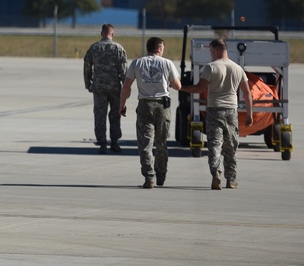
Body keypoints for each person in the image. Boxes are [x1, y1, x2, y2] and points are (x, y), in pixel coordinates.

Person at [179, 38, 253, 190]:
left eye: (212, 51)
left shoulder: (210, 67)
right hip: (231, 111)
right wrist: (249, 114)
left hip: (214, 110)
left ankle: (216, 174)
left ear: (217, 50)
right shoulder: (238, 68)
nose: (211, 54)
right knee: (231, 146)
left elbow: (199, 88)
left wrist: (181, 88)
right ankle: (231, 179)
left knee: (214, 144)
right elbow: (247, 93)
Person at [119, 37, 181, 188]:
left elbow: (126, 86)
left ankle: (149, 176)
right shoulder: (167, 63)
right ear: (159, 49)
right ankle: (161, 175)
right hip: (162, 106)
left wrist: (122, 105)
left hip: (144, 105)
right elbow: (178, 86)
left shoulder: (137, 63)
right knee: (161, 143)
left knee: (145, 144)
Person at [83, 23, 127, 153]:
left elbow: (87, 67)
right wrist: (126, 88)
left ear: (102, 33)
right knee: (115, 115)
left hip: (99, 87)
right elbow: (124, 70)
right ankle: (114, 142)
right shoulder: (118, 48)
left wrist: (88, 83)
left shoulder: (94, 48)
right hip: (115, 87)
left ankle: (102, 143)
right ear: (112, 34)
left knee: (100, 115)